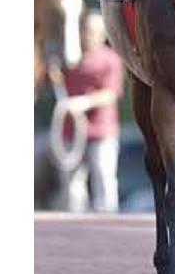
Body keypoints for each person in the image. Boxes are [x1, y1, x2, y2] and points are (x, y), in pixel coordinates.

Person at [52, 11, 124, 212]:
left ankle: (108, 229)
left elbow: (111, 93)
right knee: (72, 188)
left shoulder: (110, 60)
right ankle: (76, 231)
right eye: (85, 30)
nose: (88, 35)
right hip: (71, 134)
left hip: (101, 133)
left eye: (93, 31)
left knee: (104, 182)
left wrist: (82, 102)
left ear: (102, 34)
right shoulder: (69, 59)